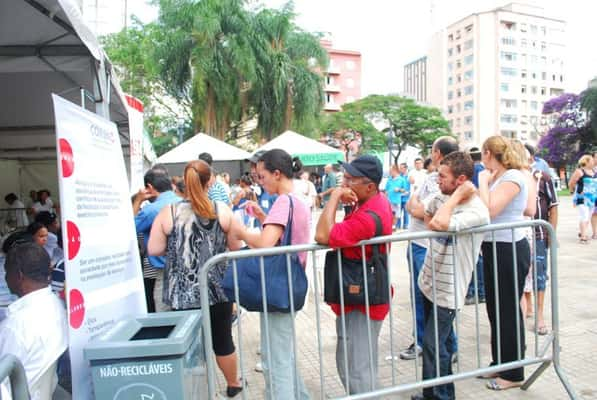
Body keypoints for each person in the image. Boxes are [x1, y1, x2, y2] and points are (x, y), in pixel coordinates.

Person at [148, 159, 244, 398]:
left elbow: (154, 249)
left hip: (180, 294)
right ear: (209, 181)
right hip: (217, 290)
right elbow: (236, 246)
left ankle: (194, 391)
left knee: (187, 345)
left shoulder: (168, 212)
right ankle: (233, 384)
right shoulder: (222, 210)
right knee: (223, 340)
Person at [232, 149, 311, 400]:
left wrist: (241, 232)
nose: (259, 181)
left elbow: (266, 243)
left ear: (277, 174)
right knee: (282, 352)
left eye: (262, 176)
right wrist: (263, 217)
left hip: (280, 286)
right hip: (289, 283)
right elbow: (283, 238)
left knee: (276, 359)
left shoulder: (283, 201)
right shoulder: (296, 199)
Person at [411, 151, 489, 400]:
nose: (437, 181)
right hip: (429, 281)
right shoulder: (442, 197)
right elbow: (421, 211)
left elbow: (437, 224)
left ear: (461, 179)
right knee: (435, 345)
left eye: (443, 177)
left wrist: (455, 198)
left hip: (450, 289)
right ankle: (431, 393)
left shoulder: (477, 211)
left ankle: (443, 395)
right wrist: (448, 200)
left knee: (435, 345)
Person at [315, 155, 392, 395]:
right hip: (360, 295)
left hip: (363, 301)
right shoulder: (372, 202)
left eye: (350, 179)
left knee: (356, 368)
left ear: (370, 186)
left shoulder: (368, 217)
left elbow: (322, 235)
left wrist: (335, 196)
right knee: (358, 363)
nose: (345, 183)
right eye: (344, 178)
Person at [478, 135, 535, 391]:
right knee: (496, 309)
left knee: (508, 310)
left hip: (509, 248)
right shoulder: (500, 178)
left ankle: (513, 372)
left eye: (482, 152)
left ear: (489, 153)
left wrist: (481, 181)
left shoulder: (512, 177)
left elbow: (489, 210)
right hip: (495, 247)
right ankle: (501, 361)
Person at [401, 137, 459, 360]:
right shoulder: (431, 177)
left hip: (425, 245)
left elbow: (422, 210)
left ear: (437, 153)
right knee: (423, 297)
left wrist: (417, 207)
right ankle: (434, 343)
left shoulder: (442, 180)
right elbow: (412, 205)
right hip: (417, 241)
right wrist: (416, 206)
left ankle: (437, 345)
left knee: (429, 297)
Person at [0, 243, 67, 399]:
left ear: (18, 275)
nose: (4, 277)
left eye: (6, 271)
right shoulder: (56, 305)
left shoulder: (15, 327)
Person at [133, 167, 182, 312]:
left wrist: (138, 200)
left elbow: (129, 228)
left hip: (164, 271)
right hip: (189, 269)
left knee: (165, 319)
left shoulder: (151, 210)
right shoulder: (184, 202)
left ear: (149, 187)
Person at [525, 161, 558, 336]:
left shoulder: (542, 178)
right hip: (517, 236)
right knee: (522, 273)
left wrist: (552, 234)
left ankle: (540, 315)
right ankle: (528, 306)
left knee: (539, 274)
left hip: (538, 234)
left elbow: (553, 208)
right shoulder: (510, 177)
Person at [464, 146, 486, 305]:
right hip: (482, 216)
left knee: (474, 257)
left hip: (472, 216)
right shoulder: (485, 171)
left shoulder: (472, 172)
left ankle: (475, 291)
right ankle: (481, 290)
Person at [568, 154, 595, 243]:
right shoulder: (580, 172)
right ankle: (583, 237)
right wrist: (572, 192)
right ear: (586, 162)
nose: (593, 162)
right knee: (584, 215)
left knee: (588, 216)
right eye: (591, 160)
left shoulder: (594, 171)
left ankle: (582, 232)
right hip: (582, 198)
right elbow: (571, 183)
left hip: (593, 198)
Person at [384, 165, 403, 231]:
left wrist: (399, 189)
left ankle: (394, 226)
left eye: (391, 171)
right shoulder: (389, 179)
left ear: (395, 171)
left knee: (396, 214)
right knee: (389, 214)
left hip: (397, 200)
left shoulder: (401, 179)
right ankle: (390, 226)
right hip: (389, 200)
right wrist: (385, 197)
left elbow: (405, 190)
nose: (390, 172)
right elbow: (386, 189)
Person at [398, 163, 411, 229]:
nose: (400, 169)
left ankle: (405, 226)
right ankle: (398, 226)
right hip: (399, 198)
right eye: (400, 168)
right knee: (398, 213)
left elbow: (412, 186)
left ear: (405, 168)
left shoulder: (409, 176)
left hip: (407, 198)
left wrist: (408, 192)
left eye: (402, 168)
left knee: (406, 214)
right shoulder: (398, 176)